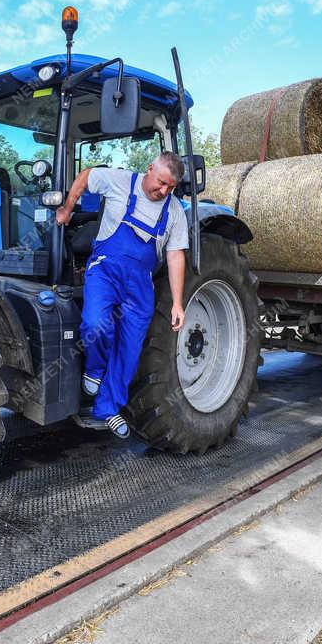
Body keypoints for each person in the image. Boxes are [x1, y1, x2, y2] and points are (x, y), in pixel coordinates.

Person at [56, 151, 188, 439]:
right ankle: (94, 367)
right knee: (95, 323)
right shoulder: (121, 181)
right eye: (161, 183)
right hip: (105, 272)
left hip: (141, 284)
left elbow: (176, 255)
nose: (163, 191)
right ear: (150, 169)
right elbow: (87, 176)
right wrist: (67, 208)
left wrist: (177, 302)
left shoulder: (175, 211)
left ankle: (107, 408)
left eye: (170, 187)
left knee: (129, 350)